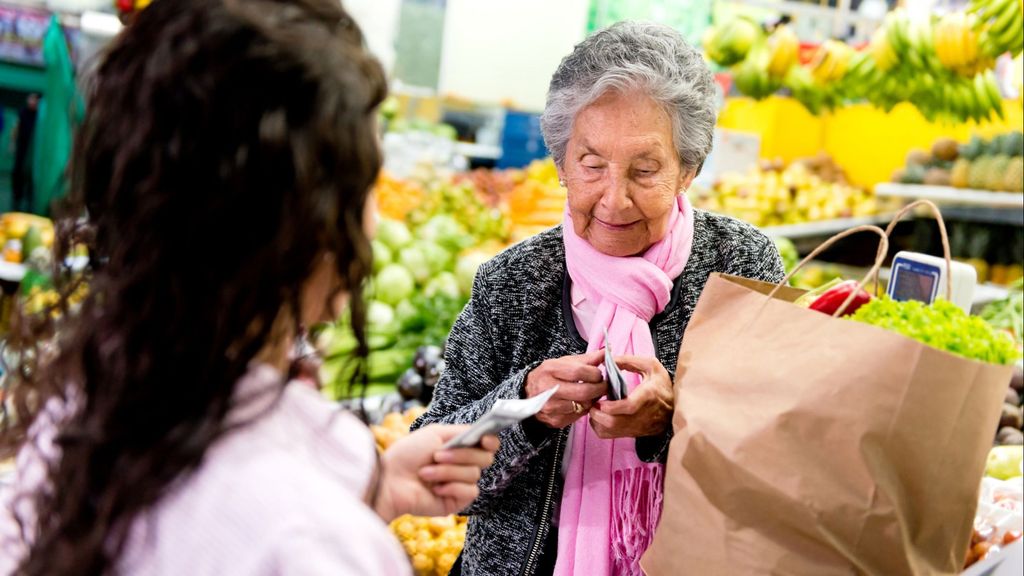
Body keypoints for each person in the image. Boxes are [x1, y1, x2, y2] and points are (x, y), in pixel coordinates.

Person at [0, 1, 497, 575]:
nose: (376, 222)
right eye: (365, 187)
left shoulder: (84, 407)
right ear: (295, 222)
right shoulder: (313, 543)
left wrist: (379, 491)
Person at [413, 21, 785, 576]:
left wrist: (673, 421)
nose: (614, 199)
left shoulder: (740, 267)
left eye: (645, 169)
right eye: (591, 166)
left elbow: (779, 456)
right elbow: (436, 467)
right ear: (561, 165)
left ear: (689, 169)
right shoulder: (513, 282)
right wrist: (525, 406)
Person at [11, 93, 38, 213]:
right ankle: (17, 198)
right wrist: (12, 143)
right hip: (22, 147)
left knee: (31, 173)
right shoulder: (23, 112)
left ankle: (29, 198)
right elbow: (16, 127)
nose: (32, 101)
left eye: (35, 99)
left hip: (34, 149)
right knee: (18, 171)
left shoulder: (40, 115)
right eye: (31, 99)